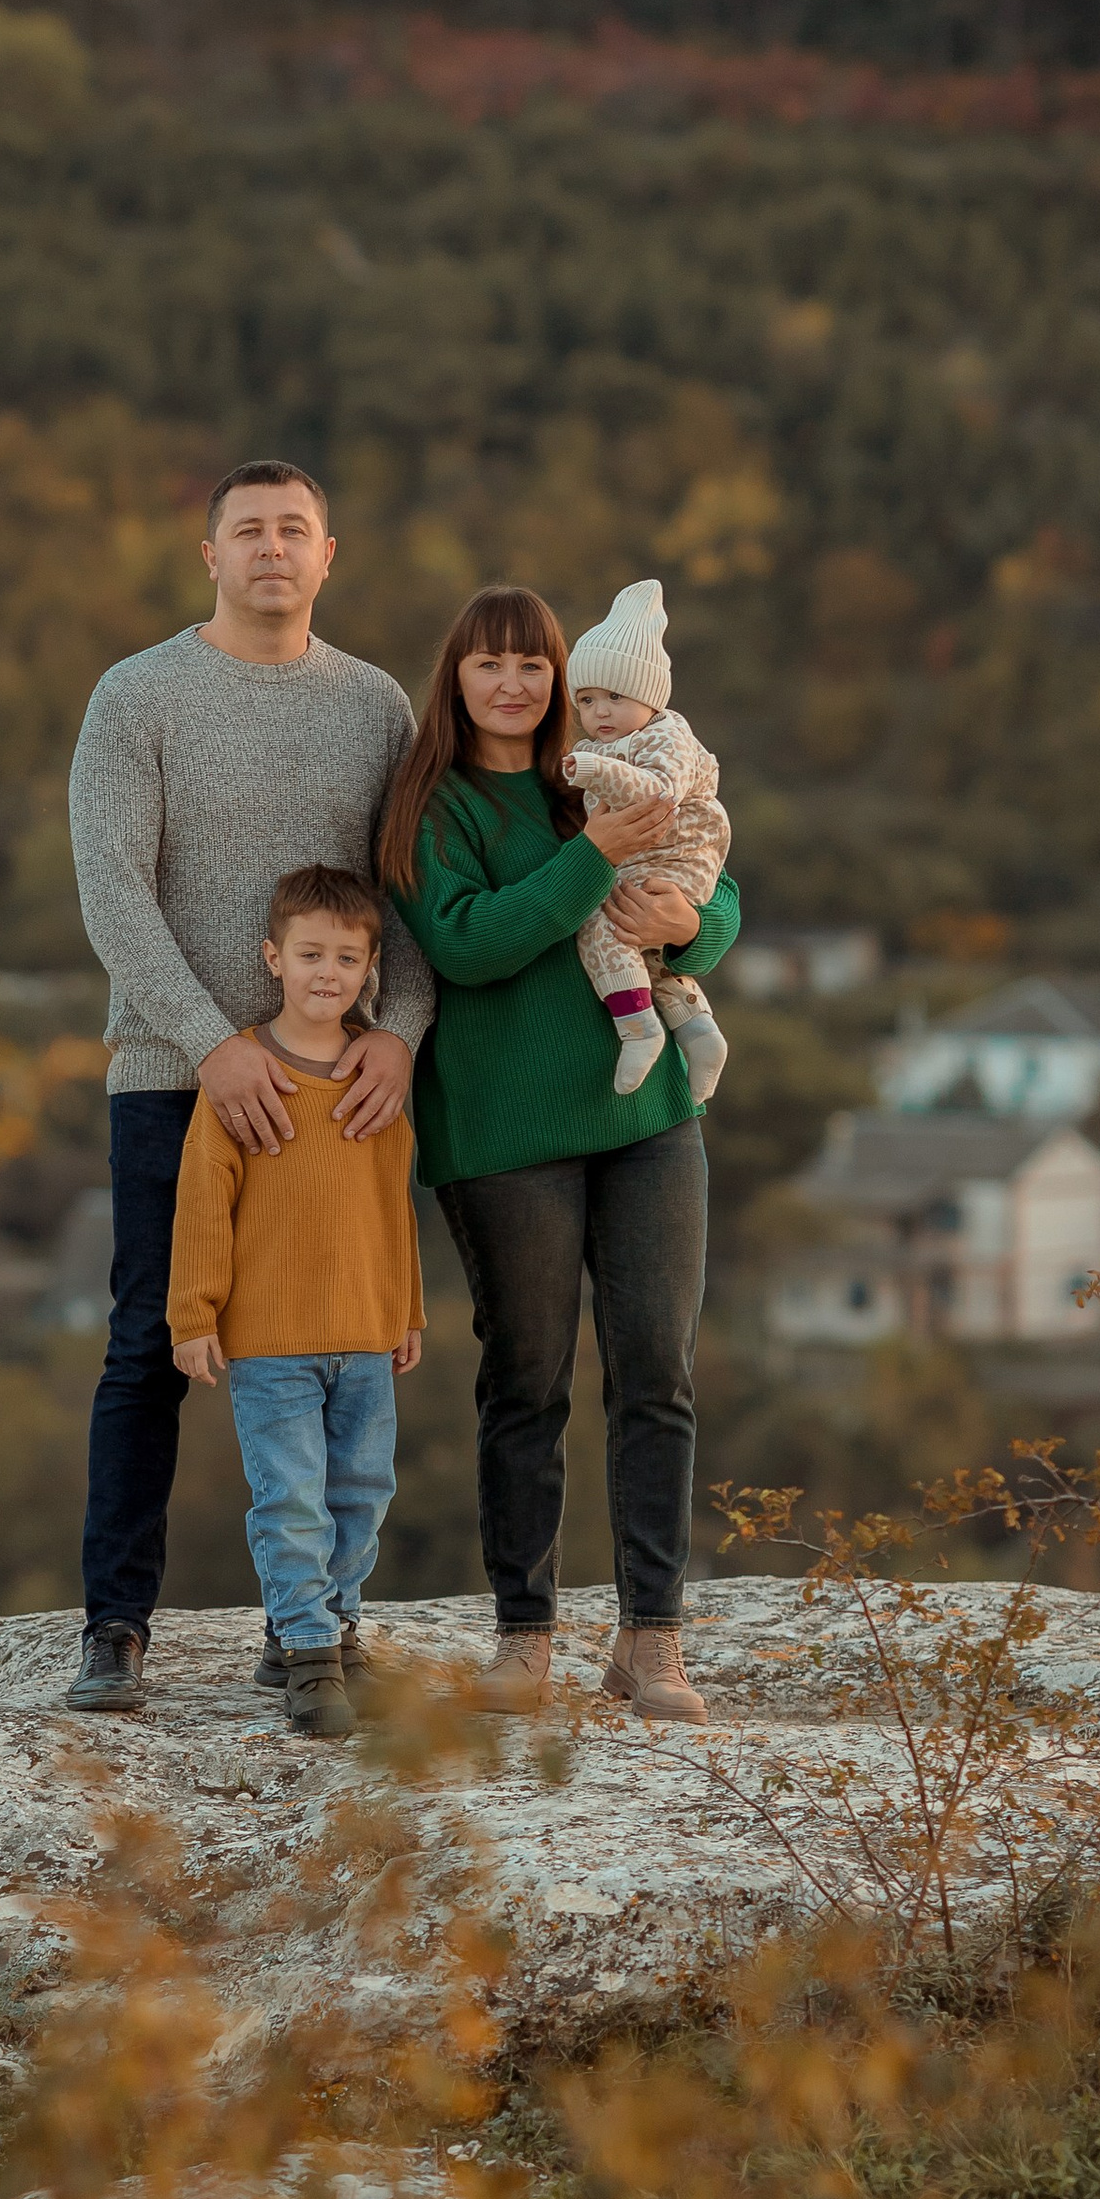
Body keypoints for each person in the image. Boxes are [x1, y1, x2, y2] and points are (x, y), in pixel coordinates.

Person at [63, 460, 434, 1713]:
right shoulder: (139, 696)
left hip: (337, 1087)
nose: (271, 549)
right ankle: (116, 1626)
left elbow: (408, 892)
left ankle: (311, 1625)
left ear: (330, 555)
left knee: (343, 1367)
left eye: (294, 531)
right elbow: (112, 888)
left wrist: (405, 1032)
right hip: (176, 1078)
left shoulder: (376, 707)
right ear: (208, 556)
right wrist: (211, 1041)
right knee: (148, 1347)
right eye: (247, 531)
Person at [377, 583, 741, 1725]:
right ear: (456, 678)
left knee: (656, 1374)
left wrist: (683, 924)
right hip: (502, 1134)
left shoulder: (601, 766)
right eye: (488, 664)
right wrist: (590, 862)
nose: (513, 684)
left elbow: (716, 895)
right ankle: (523, 1638)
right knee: (526, 1383)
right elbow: (468, 944)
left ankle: (651, 1639)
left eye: (531, 664)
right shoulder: (433, 806)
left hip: (648, 1119)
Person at [165, 866, 426, 1743]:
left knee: (363, 1488)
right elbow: (202, 1204)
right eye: (310, 954)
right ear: (272, 958)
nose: (327, 973)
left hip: (363, 1329)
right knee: (292, 1497)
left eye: (347, 958)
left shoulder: (376, 1080)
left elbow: (395, 1206)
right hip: (271, 1341)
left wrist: (408, 1310)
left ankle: (328, 1629)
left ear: (370, 970)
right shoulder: (243, 1076)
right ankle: (309, 1655)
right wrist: (193, 1318)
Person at [557, 577, 732, 1100]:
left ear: (649, 696)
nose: (600, 712)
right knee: (643, 948)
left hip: (679, 857)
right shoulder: (610, 744)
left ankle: (639, 1029)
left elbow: (657, 794)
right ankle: (699, 1033)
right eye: (587, 700)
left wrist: (591, 770)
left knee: (599, 923)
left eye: (615, 696)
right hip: (653, 860)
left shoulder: (665, 737)